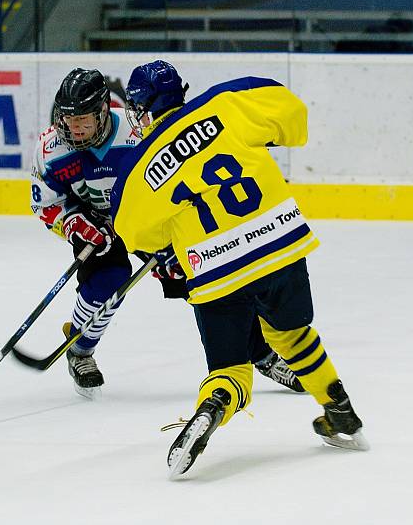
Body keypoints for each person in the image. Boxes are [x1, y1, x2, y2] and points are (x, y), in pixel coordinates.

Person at [111, 60, 368, 478]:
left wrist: (170, 233)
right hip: (278, 242)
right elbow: (291, 113)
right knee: (289, 334)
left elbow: (135, 233)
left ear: (144, 109)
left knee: (229, 369)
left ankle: (212, 408)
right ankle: (340, 411)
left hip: (213, 268)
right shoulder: (228, 103)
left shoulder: (139, 166)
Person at [30, 68, 303, 400]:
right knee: (109, 280)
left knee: (203, 281)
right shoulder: (52, 148)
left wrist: (166, 236)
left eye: (83, 119)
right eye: (68, 120)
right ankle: (81, 349)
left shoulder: (136, 134)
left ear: (103, 110)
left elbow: (171, 182)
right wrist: (77, 225)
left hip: (146, 219)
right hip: (95, 223)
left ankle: (262, 355)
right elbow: (47, 203)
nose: (73, 129)